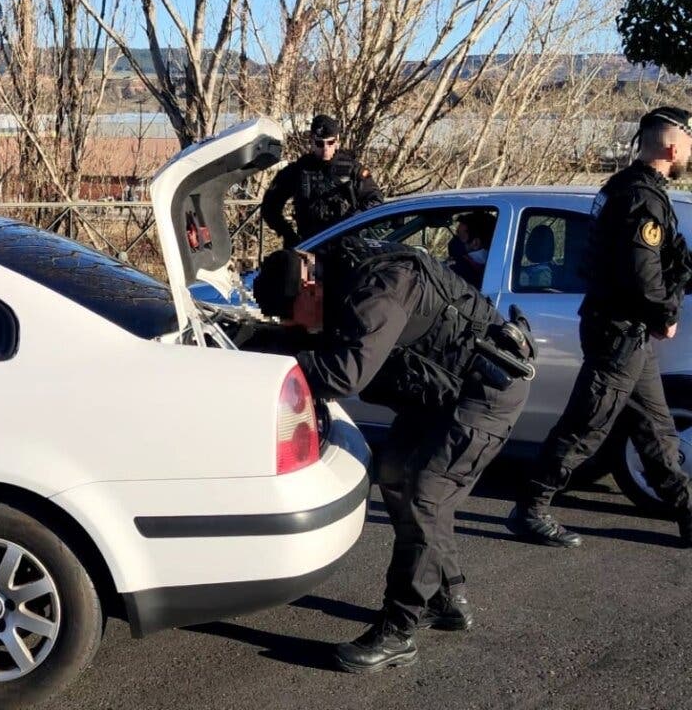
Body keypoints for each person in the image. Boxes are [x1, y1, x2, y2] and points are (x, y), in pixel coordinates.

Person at [249, 237, 534, 673]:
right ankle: (447, 598)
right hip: (442, 395)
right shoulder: (341, 273)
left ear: (309, 288)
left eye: (290, 316)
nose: (294, 327)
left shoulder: (380, 287)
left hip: (486, 394)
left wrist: (272, 359)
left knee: (425, 496)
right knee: (395, 473)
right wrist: (253, 338)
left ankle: (399, 631)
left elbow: (342, 375)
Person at [506, 107, 692, 549]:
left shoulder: (630, 190)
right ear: (671, 145)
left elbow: (670, 258)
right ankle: (530, 507)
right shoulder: (639, 198)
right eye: (688, 143)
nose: (690, 151)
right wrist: (666, 314)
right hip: (619, 334)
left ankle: (687, 513)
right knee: (585, 426)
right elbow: (641, 275)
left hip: (627, 336)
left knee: (655, 428)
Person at [261, 114, 384, 248]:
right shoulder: (297, 170)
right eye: (320, 143)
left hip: (346, 245)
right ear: (312, 142)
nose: (325, 148)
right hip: (310, 243)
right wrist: (288, 234)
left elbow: (375, 199)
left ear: (337, 140)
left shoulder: (352, 169)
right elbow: (269, 207)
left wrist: (352, 221)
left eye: (330, 142)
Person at [448, 211, 496, 289]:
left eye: (459, 235)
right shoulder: (503, 267)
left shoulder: (457, 271)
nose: (454, 240)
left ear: (475, 243)